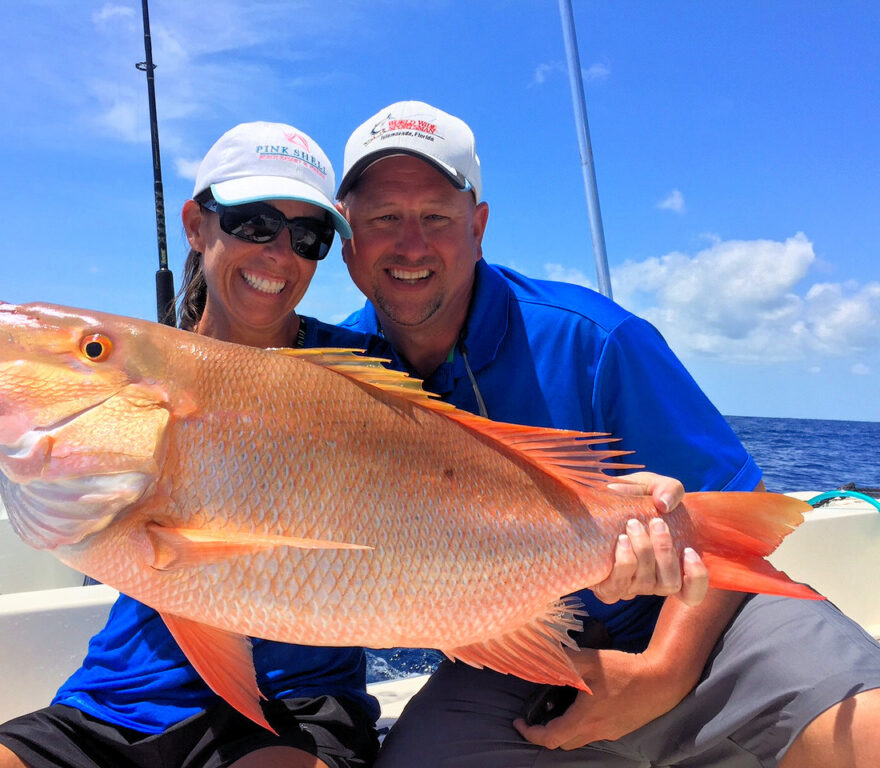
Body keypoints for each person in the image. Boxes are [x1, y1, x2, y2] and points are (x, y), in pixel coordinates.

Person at [0, 121, 700, 768]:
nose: (279, 254)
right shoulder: (159, 368)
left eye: (310, 236)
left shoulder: (364, 371)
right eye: (253, 223)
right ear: (196, 221)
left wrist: (632, 511)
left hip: (292, 721)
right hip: (109, 707)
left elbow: (465, 467)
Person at [334, 99, 880, 767]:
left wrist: (662, 673)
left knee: (866, 733)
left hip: (693, 617)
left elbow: (728, 512)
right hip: (521, 655)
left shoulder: (597, 339)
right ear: (347, 237)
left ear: (478, 227)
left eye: (437, 218)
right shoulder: (333, 374)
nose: (411, 244)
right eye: (385, 218)